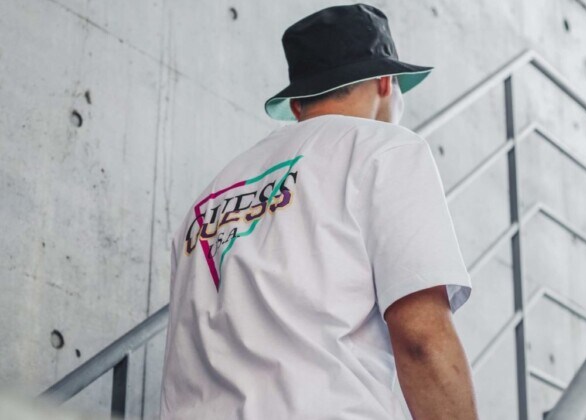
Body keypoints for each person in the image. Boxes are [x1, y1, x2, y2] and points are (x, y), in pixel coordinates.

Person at [159, 3, 479, 419]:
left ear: (297, 105)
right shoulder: (386, 150)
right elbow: (421, 339)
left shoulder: (207, 201)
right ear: (386, 82)